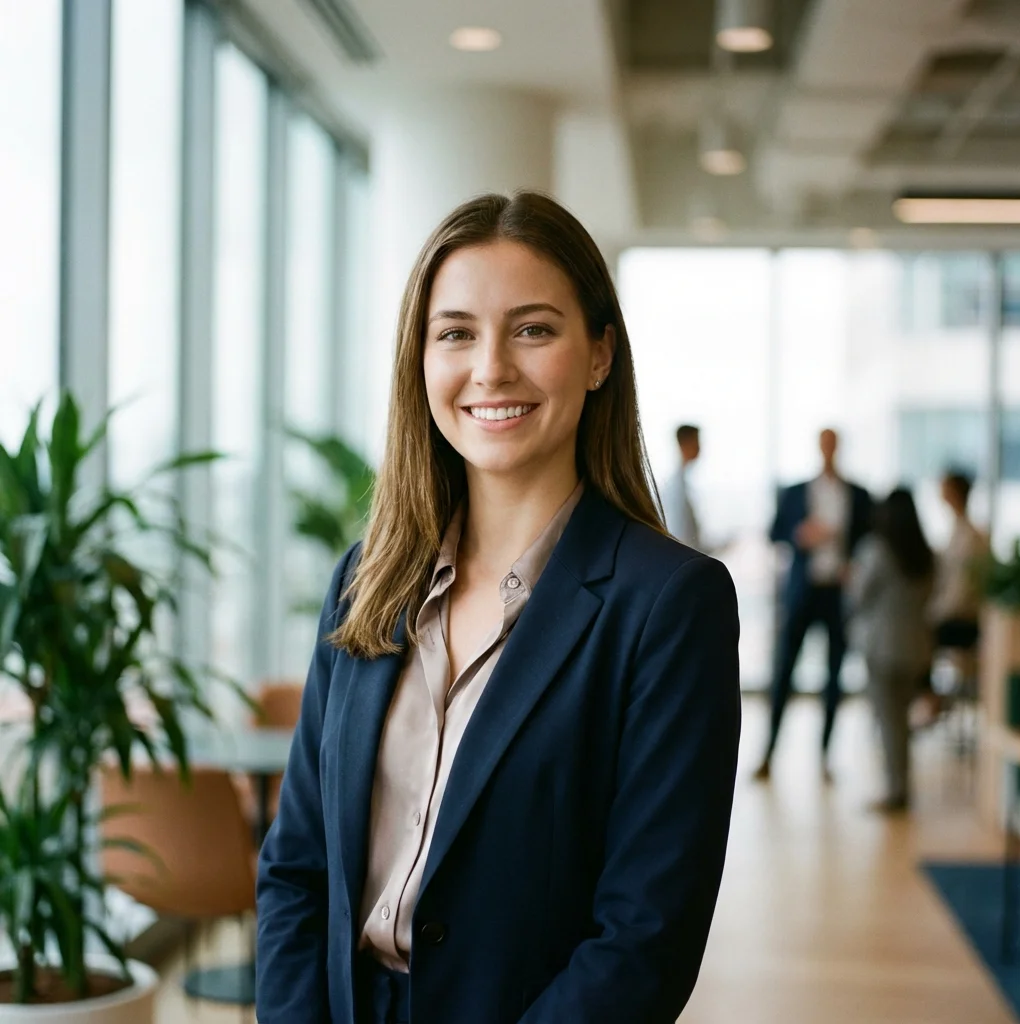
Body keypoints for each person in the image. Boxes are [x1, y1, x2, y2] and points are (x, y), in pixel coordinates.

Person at [256, 191, 741, 1024]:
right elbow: (296, 869)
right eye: (456, 333)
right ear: (420, 359)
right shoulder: (365, 580)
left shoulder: (669, 605)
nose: (490, 369)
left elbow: (644, 938)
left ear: (599, 355)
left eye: (534, 329)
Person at [754, 429, 872, 781]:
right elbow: (774, 532)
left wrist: (854, 565)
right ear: (818, 446)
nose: (829, 449)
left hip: (838, 593)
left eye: (834, 442)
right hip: (802, 593)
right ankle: (768, 753)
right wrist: (800, 535)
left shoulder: (859, 495)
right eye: (824, 442)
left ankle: (825, 758)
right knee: (783, 671)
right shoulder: (795, 492)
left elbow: (867, 540)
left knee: (834, 676)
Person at [847, 488, 935, 812]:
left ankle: (896, 792)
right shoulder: (925, 553)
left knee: (889, 722)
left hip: (882, 648)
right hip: (916, 647)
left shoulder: (877, 550)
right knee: (901, 722)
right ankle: (901, 786)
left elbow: (858, 595)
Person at [928, 469, 988, 651]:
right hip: (954, 611)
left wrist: (934, 614)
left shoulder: (969, 537)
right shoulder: (957, 531)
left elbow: (960, 588)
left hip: (962, 618)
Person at [662, 424, 703, 549]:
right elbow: (680, 534)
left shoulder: (682, 483)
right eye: (696, 441)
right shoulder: (676, 487)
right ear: (683, 444)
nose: (700, 448)